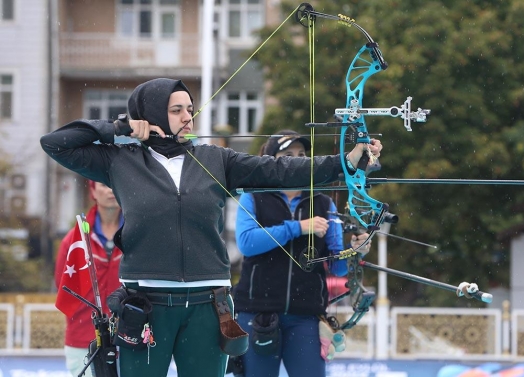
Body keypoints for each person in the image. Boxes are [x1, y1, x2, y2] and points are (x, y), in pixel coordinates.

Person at [40, 78, 382, 377]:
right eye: (176, 110)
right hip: (144, 304)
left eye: (190, 108)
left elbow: (282, 170)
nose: (188, 116)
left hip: (209, 303)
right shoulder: (120, 160)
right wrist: (119, 129)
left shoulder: (218, 159)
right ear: (151, 114)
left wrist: (347, 161)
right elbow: (55, 142)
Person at [233, 130, 372, 377]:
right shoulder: (253, 196)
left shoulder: (323, 202)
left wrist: (355, 253)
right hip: (257, 313)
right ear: (269, 159)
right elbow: (246, 243)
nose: (297, 161)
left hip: (305, 316)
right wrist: (298, 227)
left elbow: (336, 266)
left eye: (301, 155)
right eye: (288, 155)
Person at [54, 180, 124, 377]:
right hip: (83, 338)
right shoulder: (75, 240)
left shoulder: (138, 235)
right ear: (92, 190)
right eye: (103, 184)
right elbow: (62, 285)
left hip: (129, 337)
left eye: (114, 184)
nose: (110, 189)